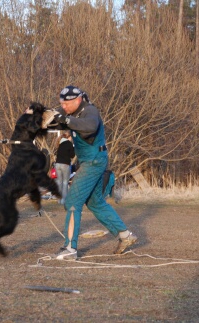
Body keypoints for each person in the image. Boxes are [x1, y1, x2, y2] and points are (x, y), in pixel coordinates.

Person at [50, 85, 137, 260]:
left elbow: (89, 127)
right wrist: (35, 116)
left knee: (73, 201)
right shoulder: (70, 111)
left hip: (94, 161)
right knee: (95, 202)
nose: (63, 107)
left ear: (78, 100)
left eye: (66, 104)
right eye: (62, 104)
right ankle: (124, 235)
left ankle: (69, 249)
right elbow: (52, 118)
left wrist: (65, 120)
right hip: (89, 160)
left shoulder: (90, 112)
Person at [54, 131, 75, 204]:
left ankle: (59, 200)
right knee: (65, 182)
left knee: (59, 182)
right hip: (65, 164)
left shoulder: (60, 144)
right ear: (69, 137)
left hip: (57, 164)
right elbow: (72, 155)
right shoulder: (69, 144)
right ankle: (64, 200)